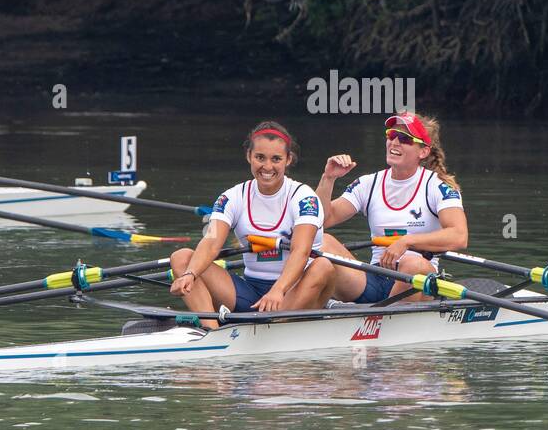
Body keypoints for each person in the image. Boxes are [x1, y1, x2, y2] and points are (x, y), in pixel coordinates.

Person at [169, 121, 333, 329]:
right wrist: (190, 274)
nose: (267, 167)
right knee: (182, 258)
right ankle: (212, 332)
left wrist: (278, 290)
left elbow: (301, 251)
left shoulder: (304, 198)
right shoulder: (231, 197)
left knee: (324, 267)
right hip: (250, 292)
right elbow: (211, 242)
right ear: (249, 156)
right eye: (260, 158)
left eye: (276, 159)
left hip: (295, 290)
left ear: (288, 160)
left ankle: (274, 324)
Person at [315, 112, 468, 303]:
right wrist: (328, 178)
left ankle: (383, 321)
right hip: (374, 277)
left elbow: (459, 236)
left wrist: (407, 241)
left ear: (423, 152)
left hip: (416, 284)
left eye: (404, 138)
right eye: (391, 135)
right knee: (321, 240)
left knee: (413, 264)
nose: (394, 142)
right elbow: (321, 220)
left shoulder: (439, 187)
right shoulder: (368, 184)